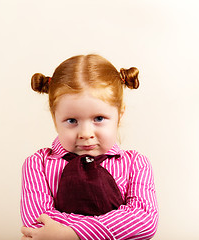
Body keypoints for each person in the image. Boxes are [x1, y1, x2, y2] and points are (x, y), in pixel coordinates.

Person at [20, 54, 158, 240]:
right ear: (55, 118)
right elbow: (37, 223)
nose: (86, 133)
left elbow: (143, 220)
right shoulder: (37, 165)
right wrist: (114, 227)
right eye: (72, 120)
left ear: (120, 115)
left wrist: (71, 234)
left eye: (98, 118)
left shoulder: (136, 164)